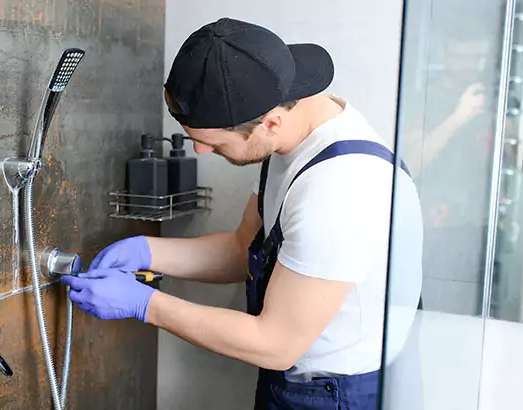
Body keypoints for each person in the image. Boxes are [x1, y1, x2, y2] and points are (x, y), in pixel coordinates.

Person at [61, 18, 423, 410]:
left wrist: (144, 304)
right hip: (292, 371)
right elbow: (243, 248)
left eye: (211, 144)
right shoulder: (290, 126)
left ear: (270, 123)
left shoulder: (339, 190)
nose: (200, 152)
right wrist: (148, 251)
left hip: (332, 394)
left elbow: (276, 344)